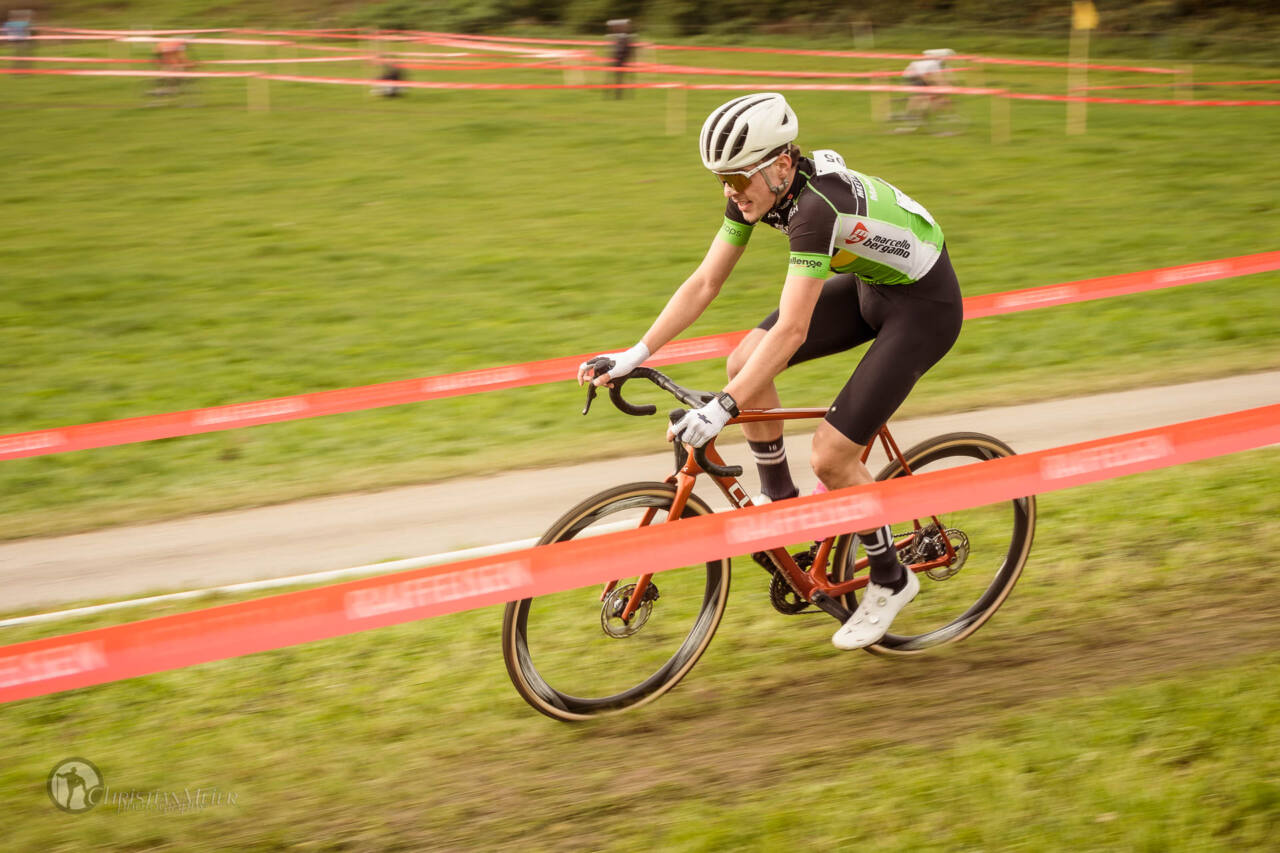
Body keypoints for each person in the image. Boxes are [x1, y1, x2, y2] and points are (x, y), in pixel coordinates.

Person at [578, 92, 962, 650]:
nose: (732, 193)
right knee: (741, 360)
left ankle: (891, 578)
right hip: (870, 287)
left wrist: (722, 408)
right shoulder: (762, 191)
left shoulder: (814, 210)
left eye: (739, 181)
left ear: (783, 164)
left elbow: (793, 331)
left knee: (831, 454)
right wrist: (636, 353)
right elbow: (705, 282)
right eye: (723, 182)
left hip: (924, 309)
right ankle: (781, 504)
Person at [899, 48, 955, 129]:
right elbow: (932, 77)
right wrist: (942, 86)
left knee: (934, 95)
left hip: (920, 75)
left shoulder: (937, 63)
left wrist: (947, 87)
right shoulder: (933, 63)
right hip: (913, 76)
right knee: (923, 95)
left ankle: (926, 115)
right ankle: (910, 115)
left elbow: (941, 78)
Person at [606, 18, 634, 99]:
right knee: (617, 78)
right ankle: (616, 92)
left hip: (621, 60)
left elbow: (625, 49)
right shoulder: (620, 37)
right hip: (618, 59)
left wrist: (621, 57)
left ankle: (618, 94)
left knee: (619, 78)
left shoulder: (624, 37)